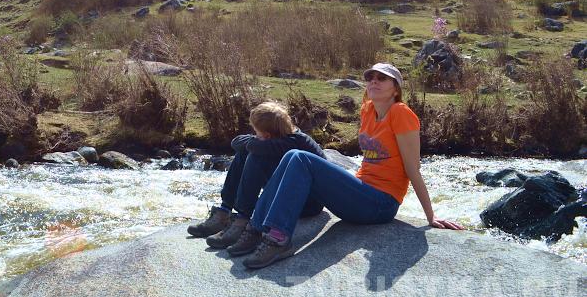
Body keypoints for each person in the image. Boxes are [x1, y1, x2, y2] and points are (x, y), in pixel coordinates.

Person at [241, 63, 463, 270]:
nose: (374, 81)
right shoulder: (368, 110)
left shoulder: (401, 113)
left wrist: (430, 217)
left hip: (381, 203)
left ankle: (278, 239)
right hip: (360, 193)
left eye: (382, 78)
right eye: (371, 77)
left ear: (395, 89)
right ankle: (256, 228)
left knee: (300, 157)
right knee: (292, 155)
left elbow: (413, 169)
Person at [186, 101, 325, 254]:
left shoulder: (295, 142)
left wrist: (255, 142)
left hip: (307, 204)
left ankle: (242, 220)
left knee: (256, 155)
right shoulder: (277, 137)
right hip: (286, 194)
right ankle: (224, 212)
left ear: (268, 135)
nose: (254, 134)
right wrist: (256, 139)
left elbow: (252, 145)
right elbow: (236, 142)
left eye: (256, 131)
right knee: (243, 153)